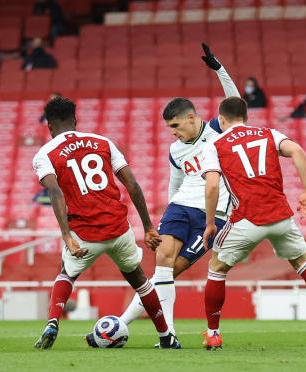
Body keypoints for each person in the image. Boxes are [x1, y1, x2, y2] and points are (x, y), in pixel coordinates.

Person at [86, 44, 239, 346]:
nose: (174, 133)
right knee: (162, 266)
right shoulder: (175, 150)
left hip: (213, 215)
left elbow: (234, 102)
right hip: (180, 209)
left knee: (170, 273)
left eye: (176, 126)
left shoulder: (217, 131)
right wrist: (160, 220)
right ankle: (167, 335)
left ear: (193, 118)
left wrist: (218, 69)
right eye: (170, 128)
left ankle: (120, 323)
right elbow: (175, 184)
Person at [200, 96, 306, 350]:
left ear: (221, 119)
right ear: (246, 117)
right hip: (281, 217)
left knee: (216, 269)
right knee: (302, 262)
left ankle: (213, 333)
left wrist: (209, 224)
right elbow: (298, 151)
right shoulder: (268, 133)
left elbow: (212, 184)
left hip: (246, 219)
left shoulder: (215, 144)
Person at [32, 97, 179, 350]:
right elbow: (131, 184)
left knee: (67, 273)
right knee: (140, 281)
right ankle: (166, 336)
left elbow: (55, 193)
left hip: (85, 233)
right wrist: (148, 227)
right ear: (75, 121)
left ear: (49, 126)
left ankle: (52, 323)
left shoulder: (44, 154)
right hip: (118, 229)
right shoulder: (103, 142)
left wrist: (66, 235)